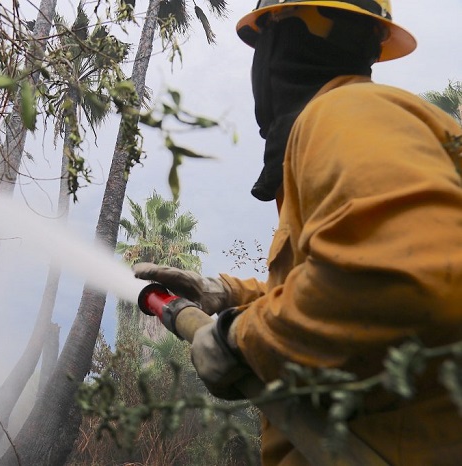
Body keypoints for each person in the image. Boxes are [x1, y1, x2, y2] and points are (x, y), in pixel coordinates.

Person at [133, 1, 462, 464]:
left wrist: (238, 339)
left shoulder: (345, 112)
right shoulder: (365, 124)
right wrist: (228, 295)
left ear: (290, 38)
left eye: (262, 40)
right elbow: (341, 281)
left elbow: (401, 277)